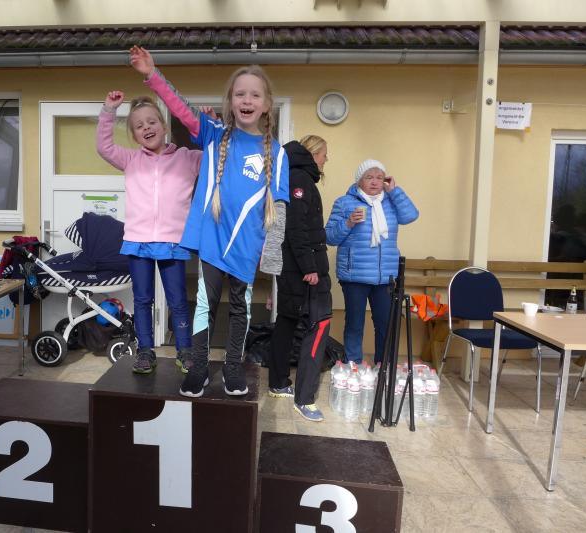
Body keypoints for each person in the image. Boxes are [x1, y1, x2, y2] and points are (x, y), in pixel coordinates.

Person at [131, 45, 289, 398]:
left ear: (266, 104)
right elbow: (180, 108)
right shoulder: (215, 134)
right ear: (230, 101)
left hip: (247, 247)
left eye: (255, 95)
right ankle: (200, 368)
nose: (247, 99)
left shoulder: (278, 154)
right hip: (212, 240)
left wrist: (271, 254)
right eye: (240, 93)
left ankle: (233, 369)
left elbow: (278, 207)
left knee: (240, 308)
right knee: (205, 304)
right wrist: (152, 74)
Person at [96, 91, 202, 374]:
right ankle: (145, 351)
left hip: (172, 241)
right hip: (138, 241)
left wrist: (207, 124)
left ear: (164, 126)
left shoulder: (187, 158)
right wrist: (109, 110)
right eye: (139, 125)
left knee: (178, 300)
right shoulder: (130, 160)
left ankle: (185, 351)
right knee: (142, 300)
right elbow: (104, 147)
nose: (147, 128)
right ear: (134, 135)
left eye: (152, 122)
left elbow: (219, 157)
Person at [325, 159, 418, 365]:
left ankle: (383, 368)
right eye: (369, 177)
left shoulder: (391, 201)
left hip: (385, 277)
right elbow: (329, 237)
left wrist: (395, 191)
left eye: (379, 177)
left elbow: (411, 215)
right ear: (359, 180)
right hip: (354, 275)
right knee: (354, 324)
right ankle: (353, 367)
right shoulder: (344, 202)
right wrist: (348, 222)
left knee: (385, 324)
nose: (375, 182)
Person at [268, 135, 332, 422]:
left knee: (287, 321)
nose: (326, 159)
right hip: (303, 270)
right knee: (317, 326)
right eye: (324, 154)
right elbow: (296, 228)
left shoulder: (291, 176)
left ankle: (279, 382)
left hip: (292, 267)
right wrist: (310, 267)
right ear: (314, 153)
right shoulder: (300, 179)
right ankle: (304, 399)